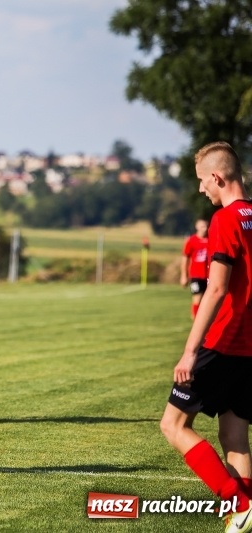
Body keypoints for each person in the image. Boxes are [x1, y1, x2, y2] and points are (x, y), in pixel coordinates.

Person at [159, 142, 252, 533]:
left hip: (222, 341)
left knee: (173, 425)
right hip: (250, 347)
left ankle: (241, 505)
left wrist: (189, 351)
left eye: (201, 181)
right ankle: (242, 519)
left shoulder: (226, 220)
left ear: (217, 177)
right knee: (235, 435)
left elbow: (215, 290)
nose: (201, 190)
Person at [181, 219, 210, 319]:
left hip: (209, 276)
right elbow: (185, 258)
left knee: (207, 302)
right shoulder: (191, 241)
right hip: (196, 276)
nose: (205, 229)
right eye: (202, 226)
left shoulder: (211, 239)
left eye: (206, 226)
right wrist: (184, 275)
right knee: (197, 299)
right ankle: (196, 323)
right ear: (197, 227)